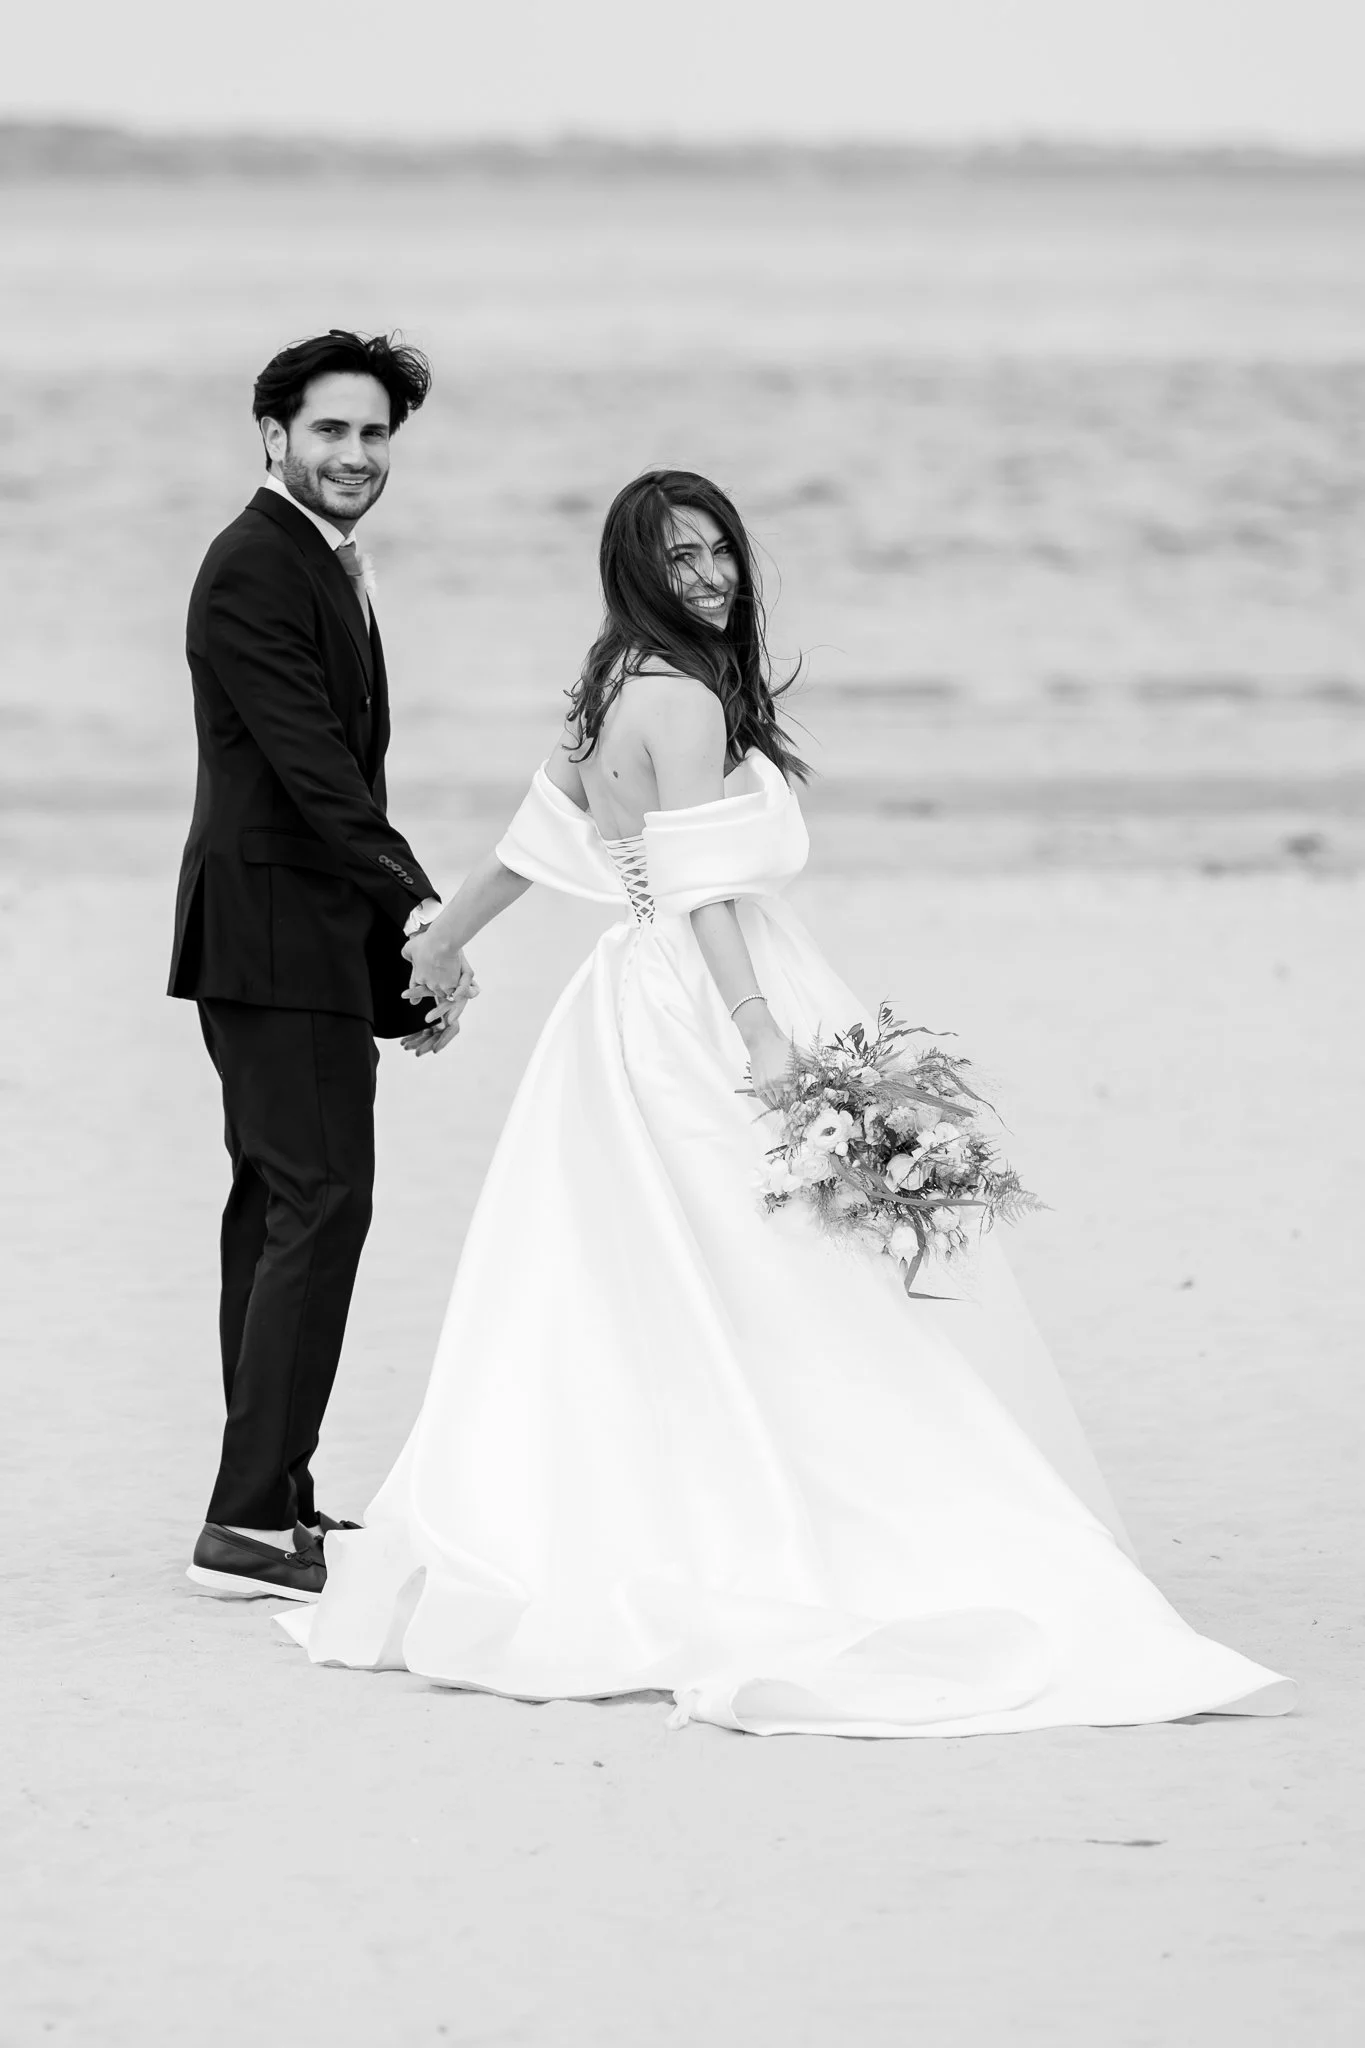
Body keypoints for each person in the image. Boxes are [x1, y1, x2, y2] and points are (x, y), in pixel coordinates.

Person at [280, 469, 1293, 1737]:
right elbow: (693, 887)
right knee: (783, 1265)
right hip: (708, 995)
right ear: (634, 570)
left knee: (649, 1268)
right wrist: (760, 1034)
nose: (708, 574)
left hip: (628, 997)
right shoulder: (683, 697)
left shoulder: (609, 679)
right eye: (680, 557)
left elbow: (534, 842)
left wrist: (439, 945)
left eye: (719, 551)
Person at [169, 330, 475, 1603]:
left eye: (374, 433)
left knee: (280, 1206)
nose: (355, 453)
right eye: (330, 431)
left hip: (294, 938)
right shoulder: (254, 567)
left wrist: (390, 970)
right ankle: (246, 1522)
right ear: (274, 436)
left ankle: (272, 1501)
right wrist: (427, 920)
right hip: (267, 933)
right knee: (317, 1202)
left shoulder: (318, 563)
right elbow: (313, 776)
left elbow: (335, 782)